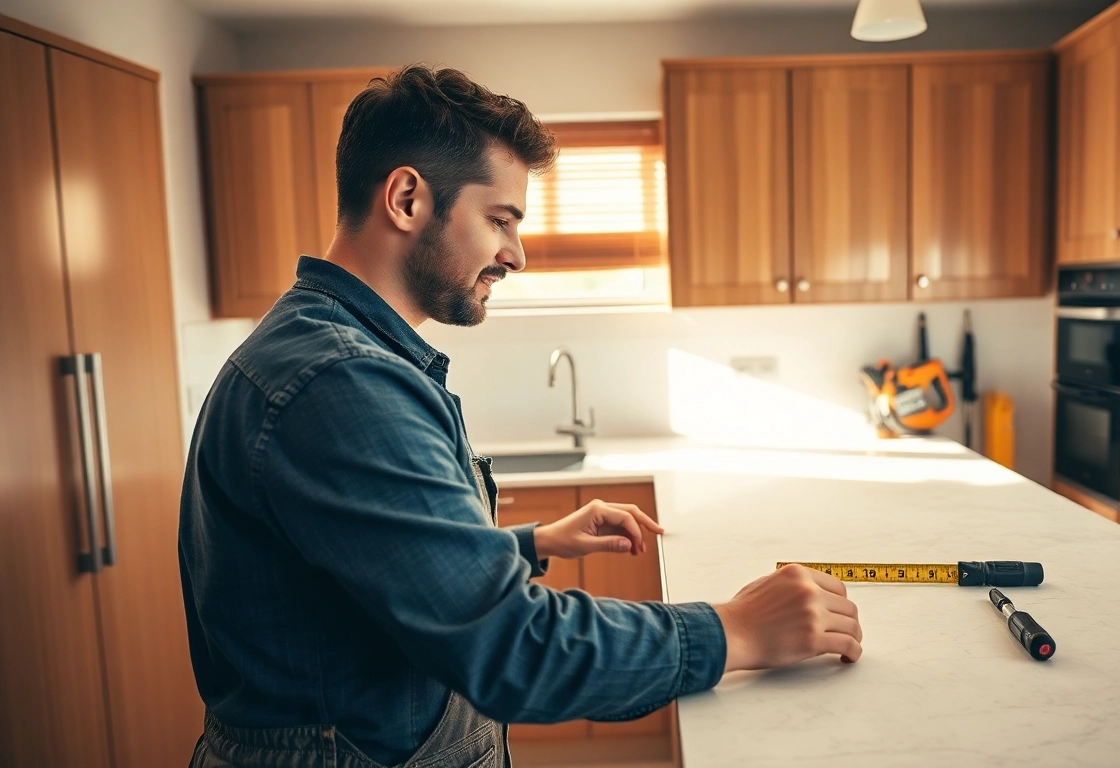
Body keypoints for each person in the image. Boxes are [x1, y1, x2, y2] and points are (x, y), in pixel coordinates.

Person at [179, 64, 864, 768]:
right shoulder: (341, 382)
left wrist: (526, 544)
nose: (518, 254)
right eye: (500, 219)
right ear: (408, 198)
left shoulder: (323, 347)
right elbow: (511, 648)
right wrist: (734, 631)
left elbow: (367, 572)